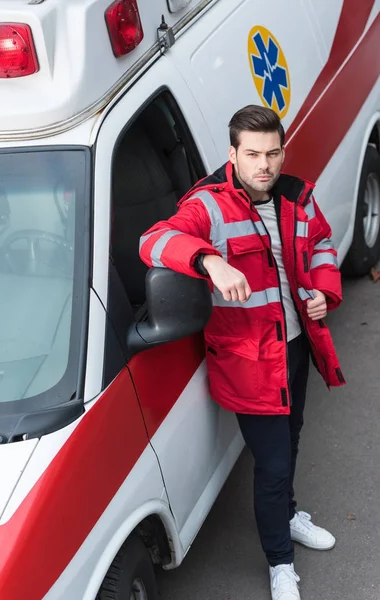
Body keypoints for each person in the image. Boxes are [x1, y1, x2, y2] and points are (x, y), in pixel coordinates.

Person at [139, 104, 345, 600]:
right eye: (253, 154)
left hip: (297, 348)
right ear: (232, 153)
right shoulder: (208, 205)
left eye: (273, 153)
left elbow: (320, 245)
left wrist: (322, 292)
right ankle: (279, 563)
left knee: (291, 439)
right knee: (272, 464)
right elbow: (154, 240)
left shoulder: (296, 196)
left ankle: (288, 513)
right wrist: (209, 260)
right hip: (251, 361)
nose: (265, 166)